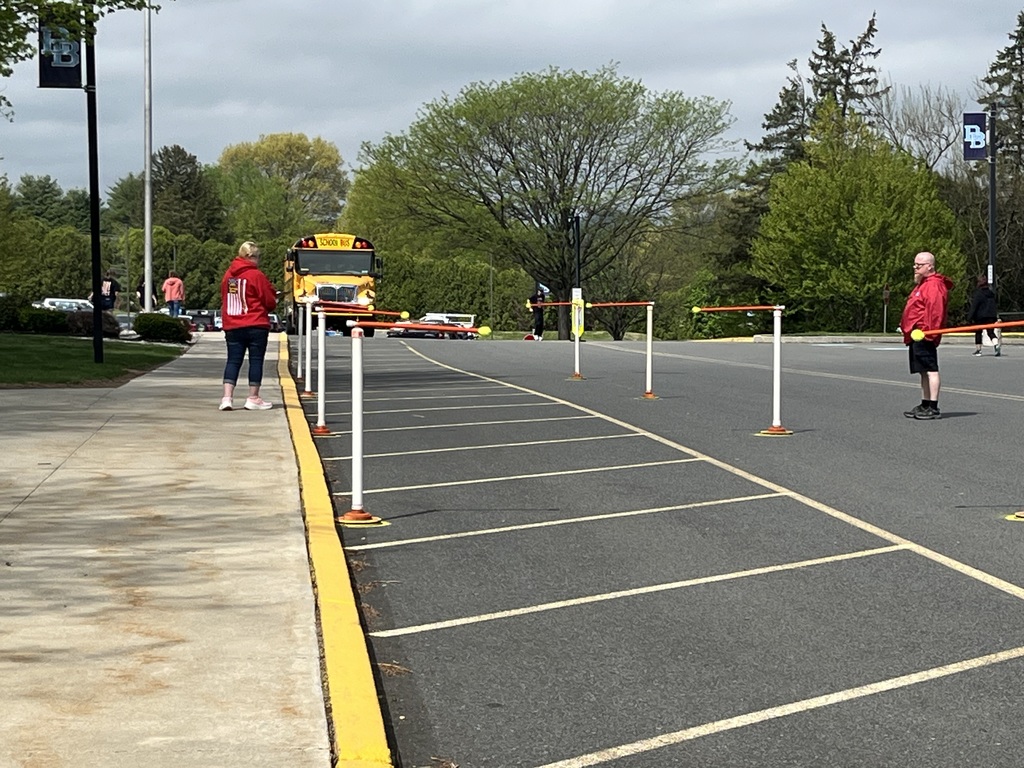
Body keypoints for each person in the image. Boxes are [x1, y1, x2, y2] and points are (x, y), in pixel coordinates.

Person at [219, 241, 277, 411]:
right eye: (258, 257)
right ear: (252, 257)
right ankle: (253, 398)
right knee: (256, 361)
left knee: (233, 360)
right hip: (255, 323)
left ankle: (227, 398)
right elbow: (269, 301)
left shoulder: (228, 276)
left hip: (233, 324)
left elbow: (225, 297)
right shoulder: (256, 275)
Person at [900, 251, 954, 420]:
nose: (915, 267)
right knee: (923, 371)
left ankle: (933, 407)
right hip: (916, 334)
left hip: (924, 333)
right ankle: (925, 403)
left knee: (931, 370)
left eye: (919, 265)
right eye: (915, 264)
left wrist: (929, 332)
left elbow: (936, 311)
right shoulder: (923, 284)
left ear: (930, 266)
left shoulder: (934, 285)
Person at [966, 274, 999, 357]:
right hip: (991, 316)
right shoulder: (991, 294)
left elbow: (974, 306)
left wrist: (969, 317)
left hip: (980, 316)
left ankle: (978, 350)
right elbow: (994, 305)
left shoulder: (979, 294)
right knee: (990, 332)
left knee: (978, 332)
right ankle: (996, 344)